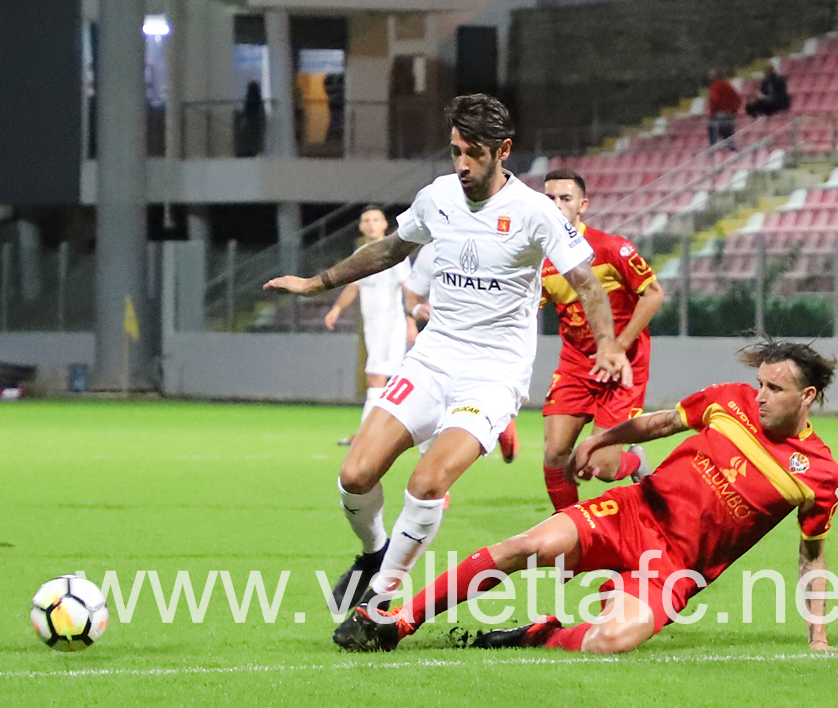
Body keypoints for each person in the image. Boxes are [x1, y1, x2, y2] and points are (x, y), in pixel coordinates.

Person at [264, 95, 632, 636]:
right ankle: (376, 551)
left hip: (493, 372)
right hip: (434, 356)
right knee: (355, 475)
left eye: (474, 154)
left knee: (427, 480)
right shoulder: (438, 196)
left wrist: (608, 345)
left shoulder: (535, 212)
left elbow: (587, 282)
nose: (462, 164)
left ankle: (381, 602)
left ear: (502, 151)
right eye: (455, 151)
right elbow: (391, 249)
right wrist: (318, 282)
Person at [335, 339, 838, 656]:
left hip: (676, 568)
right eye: (760, 383)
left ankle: (538, 635)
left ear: (807, 398)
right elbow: (662, 422)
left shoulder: (819, 474)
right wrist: (605, 438)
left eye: (774, 389)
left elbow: (811, 555)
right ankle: (397, 621)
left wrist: (817, 634)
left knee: (612, 640)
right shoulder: (728, 400)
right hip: (633, 513)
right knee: (525, 545)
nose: (759, 395)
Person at [539, 168, 664, 512]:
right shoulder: (538, 259)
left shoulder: (611, 248)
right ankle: (566, 536)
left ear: (582, 204)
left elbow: (653, 293)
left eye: (565, 198)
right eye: (549, 198)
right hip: (577, 363)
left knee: (605, 469)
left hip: (624, 362)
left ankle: (634, 463)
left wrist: (619, 345)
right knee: (555, 453)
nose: (557, 205)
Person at [403, 242, 519, 464]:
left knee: (468, 418)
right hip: (441, 350)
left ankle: (499, 420)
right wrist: (417, 310)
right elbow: (411, 298)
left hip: (487, 352)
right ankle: (437, 495)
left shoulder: (501, 245)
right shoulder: (433, 249)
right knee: (430, 429)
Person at [324, 206, 417, 442]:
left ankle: (366, 436)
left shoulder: (392, 254)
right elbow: (354, 285)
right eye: (367, 220)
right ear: (361, 226)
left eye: (376, 219)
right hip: (373, 326)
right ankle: (399, 431)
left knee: (376, 378)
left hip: (390, 324)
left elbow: (408, 289)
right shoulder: (363, 254)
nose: (372, 224)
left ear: (385, 224)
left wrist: (410, 321)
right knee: (391, 380)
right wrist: (337, 308)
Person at [707, 70, 742, 148]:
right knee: (729, 135)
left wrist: (713, 111)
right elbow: (738, 98)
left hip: (719, 114)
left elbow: (715, 99)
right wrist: (733, 110)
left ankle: (714, 151)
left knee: (714, 133)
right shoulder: (727, 85)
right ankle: (732, 150)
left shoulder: (715, 86)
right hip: (729, 114)